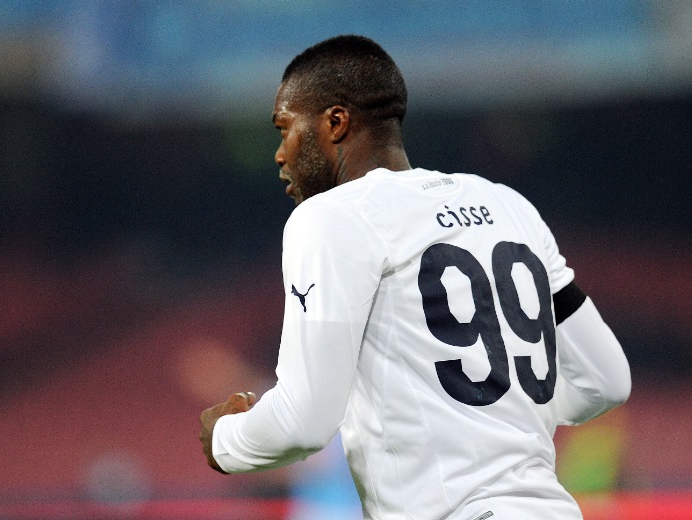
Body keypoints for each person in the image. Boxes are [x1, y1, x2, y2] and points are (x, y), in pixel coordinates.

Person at [199, 35, 631, 519]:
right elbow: (606, 381)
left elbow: (303, 422)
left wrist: (223, 440)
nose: (280, 154)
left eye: (286, 129)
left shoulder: (333, 217)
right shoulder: (509, 205)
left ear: (336, 122)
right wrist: (500, 413)